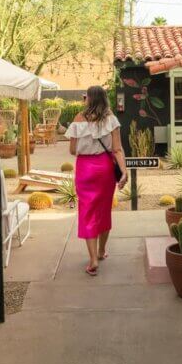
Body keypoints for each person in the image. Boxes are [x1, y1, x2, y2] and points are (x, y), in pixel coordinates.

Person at [66, 85, 128, 275]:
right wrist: (124, 172)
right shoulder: (111, 119)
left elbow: (72, 150)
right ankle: (101, 251)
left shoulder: (78, 119)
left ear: (89, 99)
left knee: (87, 211)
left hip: (85, 170)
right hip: (104, 169)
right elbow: (117, 149)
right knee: (103, 210)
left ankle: (93, 259)